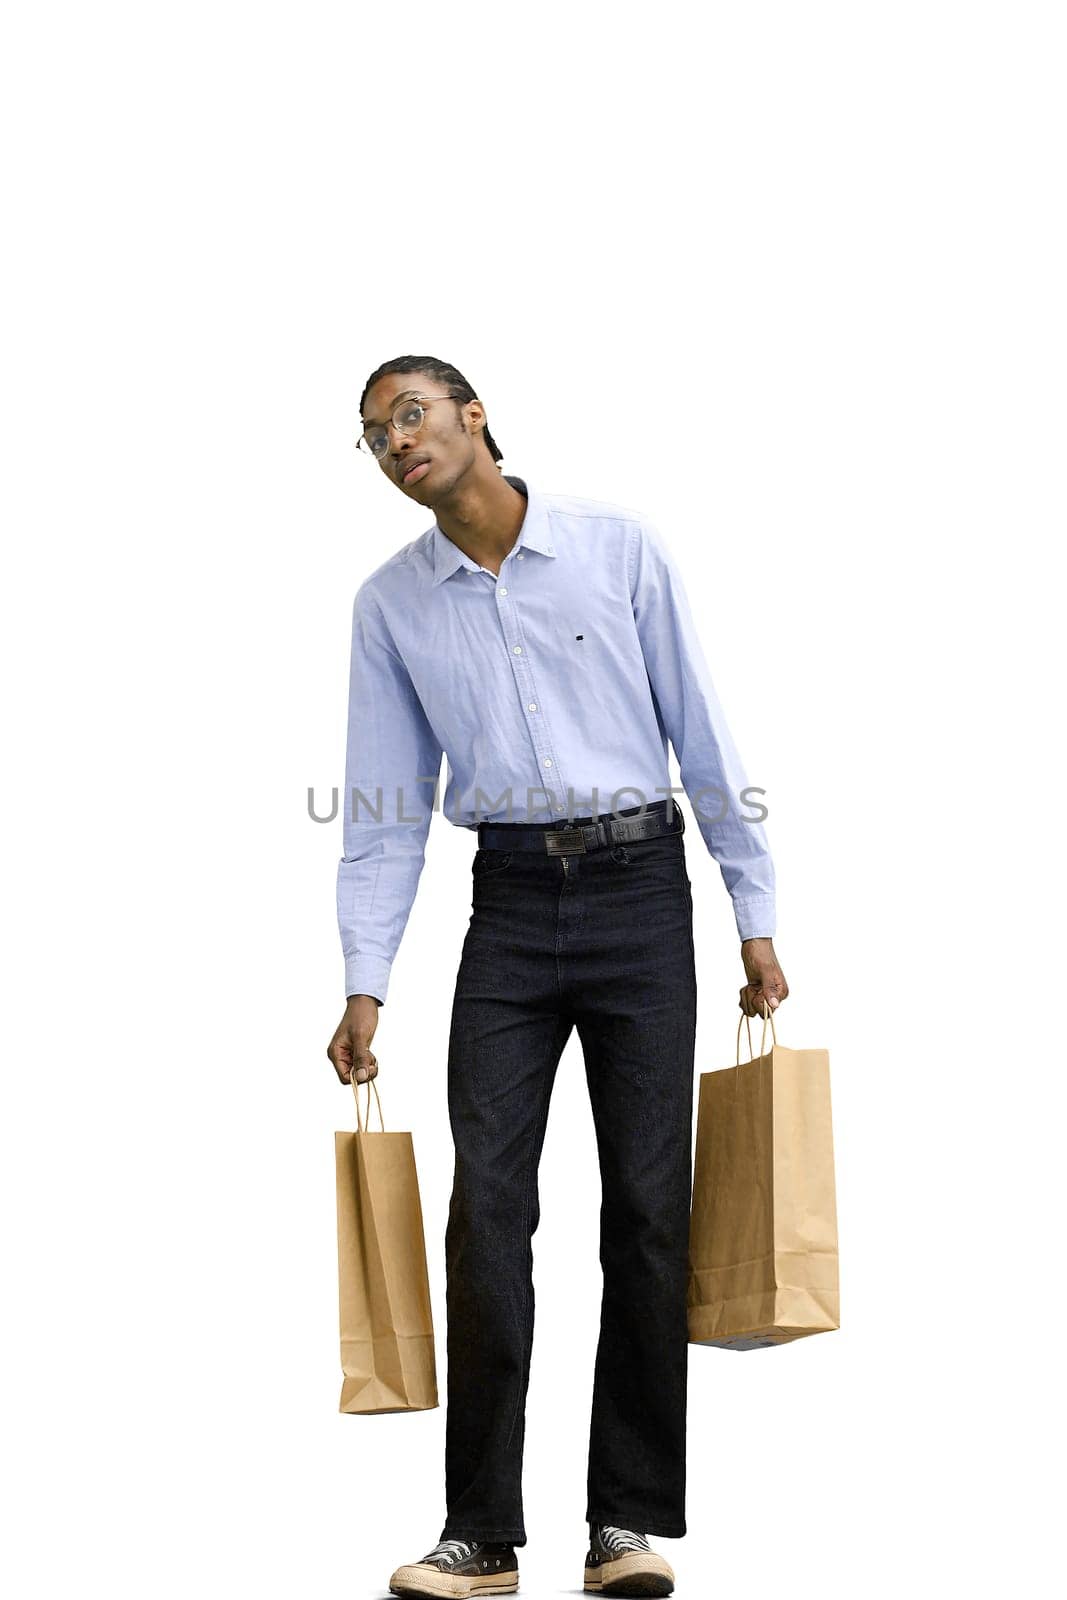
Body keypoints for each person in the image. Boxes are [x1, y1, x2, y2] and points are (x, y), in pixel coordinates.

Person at [326, 355, 788, 1599]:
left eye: (408, 416)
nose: (392, 444)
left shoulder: (615, 548)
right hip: (510, 913)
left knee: (645, 1210)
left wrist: (752, 907)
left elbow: (703, 731)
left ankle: (623, 1526)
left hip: (642, 896)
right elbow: (382, 808)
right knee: (487, 1215)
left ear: (473, 417)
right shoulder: (390, 607)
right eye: (372, 436)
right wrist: (365, 978)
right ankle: (478, 1534)